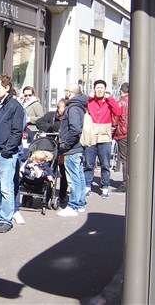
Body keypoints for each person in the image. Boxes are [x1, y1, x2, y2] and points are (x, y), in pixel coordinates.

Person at [0, 74, 25, 234]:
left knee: (6, 188)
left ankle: (6, 219)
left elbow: (17, 131)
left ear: (7, 88)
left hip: (6, 153)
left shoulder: (15, 106)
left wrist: (8, 150)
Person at [84, 79, 122, 199]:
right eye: (97, 87)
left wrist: (110, 99)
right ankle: (87, 186)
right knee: (89, 163)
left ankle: (105, 186)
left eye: (102, 88)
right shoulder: (90, 101)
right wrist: (88, 97)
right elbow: (80, 103)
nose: (99, 90)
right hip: (91, 135)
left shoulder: (109, 102)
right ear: (94, 89)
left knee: (105, 163)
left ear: (105, 90)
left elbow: (118, 111)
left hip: (105, 137)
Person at [56, 83, 88, 217]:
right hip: (77, 147)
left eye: (65, 90)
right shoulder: (80, 105)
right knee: (79, 176)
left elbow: (75, 129)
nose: (65, 93)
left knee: (73, 178)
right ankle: (80, 203)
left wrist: (65, 145)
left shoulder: (73, 107)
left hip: (72, 148)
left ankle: (73, 205)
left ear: (70, 92)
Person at [36, 98, 68, 200]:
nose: (60, 110)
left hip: (63, 147)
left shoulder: (67, 118)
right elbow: (39, 122)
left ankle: (62, 194)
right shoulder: (51, 115)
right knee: (49, 168)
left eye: (63, 108)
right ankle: (47, 191)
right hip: (51, 146)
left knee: (63, 171)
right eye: (59, 108)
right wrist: (51, 127)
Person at [112, 82, 129, 193]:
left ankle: (125, 184)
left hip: (122, 133)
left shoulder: (120, 103)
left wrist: (112, 133)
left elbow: (115, 120)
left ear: (121, 91)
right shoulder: (136, 101)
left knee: (124, 159)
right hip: (133, 134)